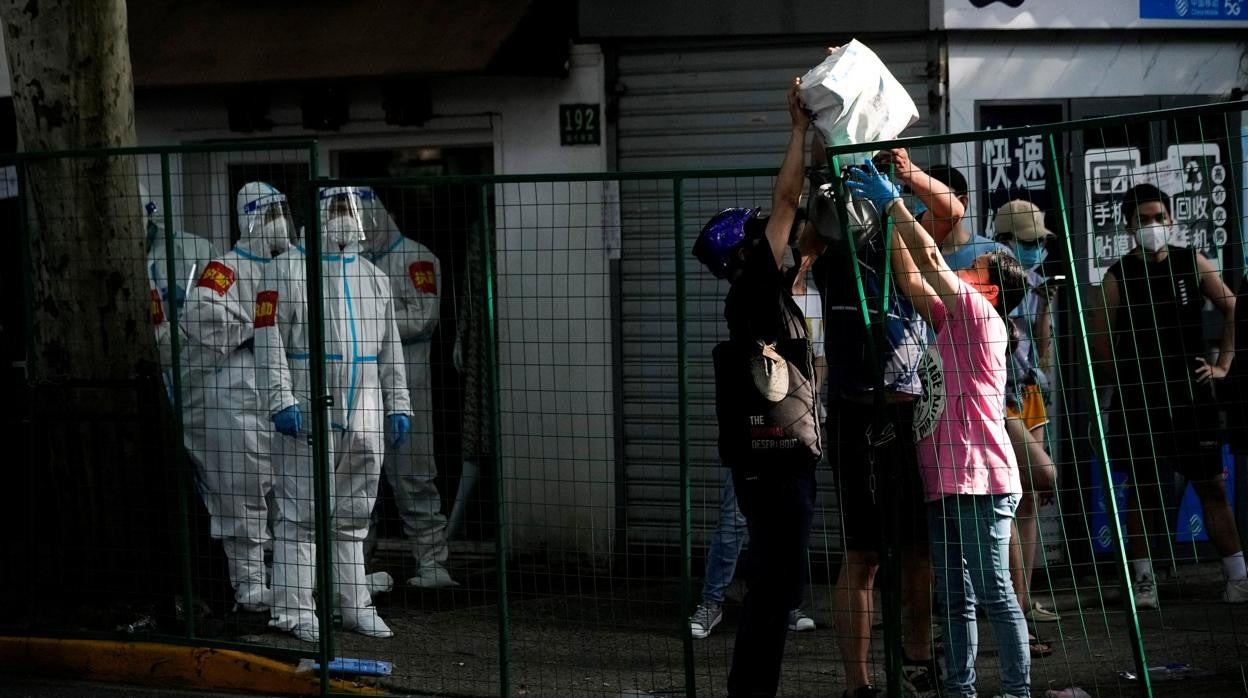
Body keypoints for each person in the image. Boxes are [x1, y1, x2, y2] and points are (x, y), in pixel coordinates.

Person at [847, 158, 1032, 698]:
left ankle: (1017, 690)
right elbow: (909, 275)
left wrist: (892, 201)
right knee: (955, 594)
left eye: (978, 271)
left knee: (993, 591)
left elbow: (928, 257)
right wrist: (886, 221)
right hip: (947, 477)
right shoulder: (952, 318)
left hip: (979, 477)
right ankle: (961, 689)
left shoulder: (979, 317)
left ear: (992, 291)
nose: (964, 270)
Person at [691, 78, 819, 697]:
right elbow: (790, 200)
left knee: (777, 585)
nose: (779, 234)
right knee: (775, 588)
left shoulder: (761, 298)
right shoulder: (755, 288)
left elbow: (804, 221)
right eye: (763, 234)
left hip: (769, 462)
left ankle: (752, 689)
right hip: (775, 465)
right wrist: (798, 130)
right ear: (745, 252)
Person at [256, 186, 413, 642]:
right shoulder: (283, 271)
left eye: (351, 210)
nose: (345, 218)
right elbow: (269, 343)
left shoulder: (373, 277)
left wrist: (398, 403)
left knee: (353, 514)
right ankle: (293, 610)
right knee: (300, 513)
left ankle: (354, 606)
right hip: (308, 407)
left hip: (363, 410)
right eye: (337, 210)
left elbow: (390, 351)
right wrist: (280, 399)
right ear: (320, 214)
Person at [814, 146, 937, 697]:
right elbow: (795, 221)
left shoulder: (897, 237)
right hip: (851, 410)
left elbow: (950, 218)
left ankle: (917, 655)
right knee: (862, 552)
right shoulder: (825, 246)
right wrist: (819, 148)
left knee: (917, 547)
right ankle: (858, 682)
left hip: (905, 410)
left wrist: (902, 182)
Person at [1091, 183, 1242, 608]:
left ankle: (1238, 575)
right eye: (1144, 220)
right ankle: (1144, 583)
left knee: (1211, 485)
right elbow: (1100, 344)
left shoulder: (1190, 261)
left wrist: (1223, 364)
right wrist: (1129, 380)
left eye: (1159, 217)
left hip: (1193, 397)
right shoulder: (1117, 276)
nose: (1153, 226)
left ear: (1171, 219)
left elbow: (1233, 306)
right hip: (1141, 401)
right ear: (1128, 226)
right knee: (1142, 489)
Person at [688, 235, 822, 641]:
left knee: (795, 516)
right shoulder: (761, 292)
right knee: (735, 518)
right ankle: (712, 600)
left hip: (799, 423)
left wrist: (811, 409)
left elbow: (819, 359)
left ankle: (788, 602)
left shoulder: (813, 299)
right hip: (757, 421)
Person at [179, 182, 295, 613]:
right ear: (249, 220)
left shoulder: (293, 266)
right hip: (239, 394)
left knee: (289, 492)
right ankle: (249, 586)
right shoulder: (225, 268)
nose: (278, 224)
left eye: (281, 212)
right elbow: (199, 314)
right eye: (269, 215)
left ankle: (289, 581)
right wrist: (249, 332)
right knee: (241, 493)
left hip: (285, 393)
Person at [358, 188, 458, 589]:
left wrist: (367, 323)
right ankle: (359, 565)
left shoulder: (416, 258)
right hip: (361, 391)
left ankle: (433, 563)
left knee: (414, 478)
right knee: (359, 481)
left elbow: (424, 318)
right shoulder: (353, 265)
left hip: (408, 388)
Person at [993, 199, 1062, 627]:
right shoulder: (989, 276)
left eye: (1040, 242)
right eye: (1029, 242)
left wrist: (1048, 309)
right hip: (1000, 396)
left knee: (1031, 499)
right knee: (1035, 480)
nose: (1037, 249)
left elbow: (1042, 341)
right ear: (1004, 240)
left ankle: (1023, 597)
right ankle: (1006, 600)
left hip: (1031, 389)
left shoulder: (1036, 282)